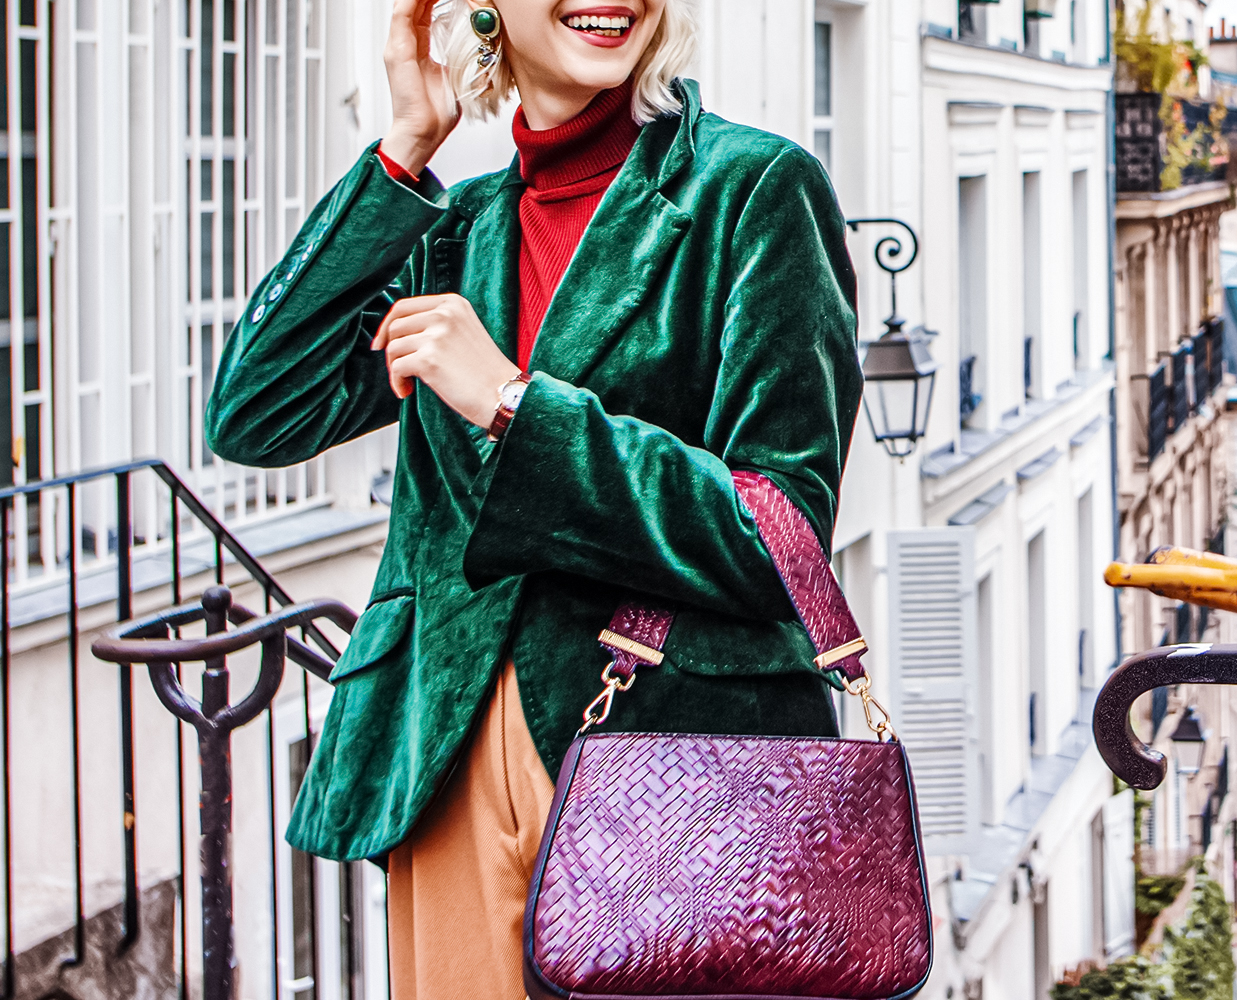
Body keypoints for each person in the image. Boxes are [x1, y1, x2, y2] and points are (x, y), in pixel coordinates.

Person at [203, 0, 861, 996]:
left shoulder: (752, 190)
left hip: (678, 772)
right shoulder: (453, 230)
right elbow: (258, 409)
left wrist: (514, 405)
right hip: (452, 756)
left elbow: (782, 535)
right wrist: (401, 153)